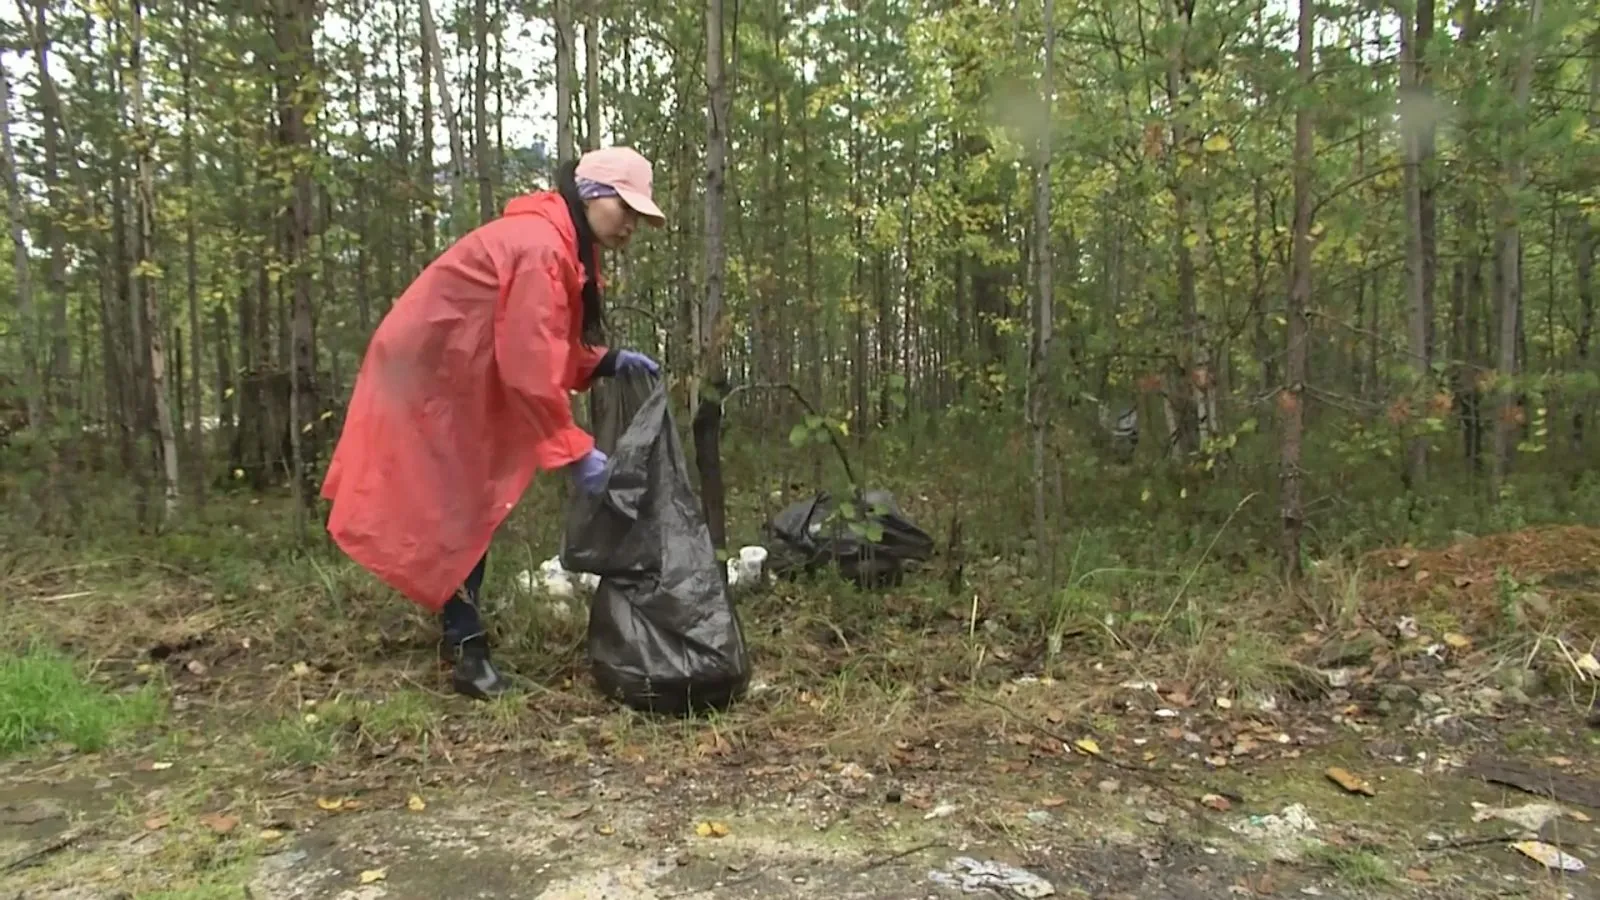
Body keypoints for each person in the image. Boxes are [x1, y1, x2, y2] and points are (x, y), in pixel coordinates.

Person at [320, 146, 665, 700]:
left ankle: (462, 633)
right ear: (594, 194)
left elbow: (542, 344)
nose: (631, 225)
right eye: (626, 209)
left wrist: (601, 360)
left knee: (465, 503)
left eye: (639, 218)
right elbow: (529, 364)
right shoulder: (542, 248)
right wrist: (573, 449)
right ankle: (466, 647)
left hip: (453, 370)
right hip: (431, 374)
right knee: (460, 505)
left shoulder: (561, 246)